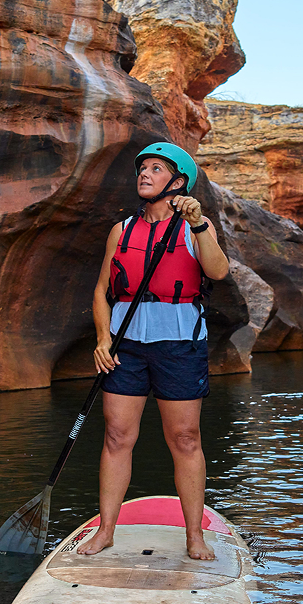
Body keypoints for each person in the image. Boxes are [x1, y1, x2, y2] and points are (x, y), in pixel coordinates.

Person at [77, 143, 229, 561]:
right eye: (142, 168)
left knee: (184, 437)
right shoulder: (122, 230)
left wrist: (198, 225)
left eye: (156, 168)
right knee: (116, 435)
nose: (144, 174)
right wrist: (103, 338)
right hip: (126, 345)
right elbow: (101, 291)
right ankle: (105, 530)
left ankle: (194, 535)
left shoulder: (195, 226)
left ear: (178, 181)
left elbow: (218, 271)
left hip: (180, 342)